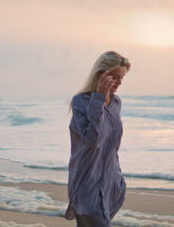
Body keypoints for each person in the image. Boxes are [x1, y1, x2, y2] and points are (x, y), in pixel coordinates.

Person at [64, 51, 131, 226]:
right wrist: (99, 97)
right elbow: (92, 139)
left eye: (122, 77)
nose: (119, 82)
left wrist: (119, 179)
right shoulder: (81, 101)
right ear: (101, 74)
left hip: (111, 183)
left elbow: (113, 144)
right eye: (115, 77)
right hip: (87, 181)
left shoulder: (116, 103)